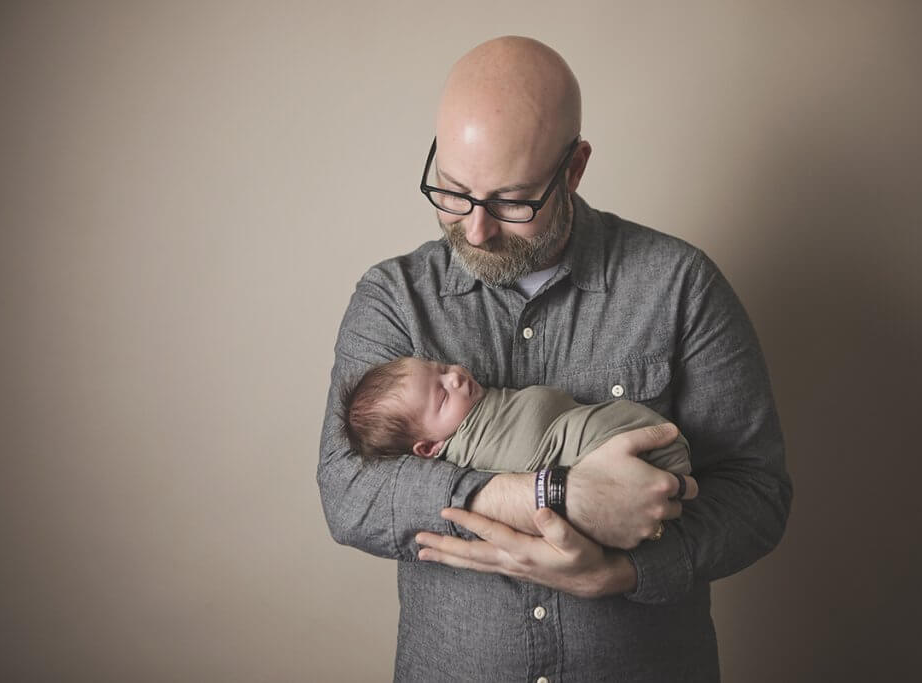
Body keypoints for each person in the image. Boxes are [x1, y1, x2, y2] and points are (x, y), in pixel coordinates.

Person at [318, 35, 792, 682]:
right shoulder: (394, 299)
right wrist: (553, 494)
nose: (476, 229)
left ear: (574, 169)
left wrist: (623, 571)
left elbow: (757, 494)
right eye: (453, 191)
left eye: (512, 201)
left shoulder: (680, 285)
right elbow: (349, 493)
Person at [342, 356, 692, 480]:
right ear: (430, 447)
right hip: (626, 461)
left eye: (442, 368)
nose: (456, 377)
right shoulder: (474, 454)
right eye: (443, 395)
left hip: (648, 444)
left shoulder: (477, 407)